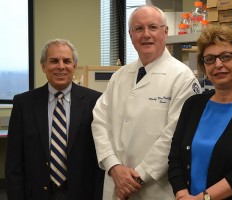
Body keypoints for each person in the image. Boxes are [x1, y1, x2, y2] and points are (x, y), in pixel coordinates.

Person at [92, 5, 201, 200]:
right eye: (139, 29)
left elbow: (174, 137)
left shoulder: (183, 78)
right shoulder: (119, 76)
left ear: (165, 32)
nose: (146, 34)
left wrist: (137, 177)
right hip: (115, 181)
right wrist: (114, 166)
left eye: (153, 27)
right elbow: (99, 122)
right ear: (130, 35)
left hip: (154, 188)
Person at [168, 25, 232, 200]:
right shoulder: (193, 105)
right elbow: (175, 157)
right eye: (209, 59)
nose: (218, 64)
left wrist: (203, 199)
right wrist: (181, 193)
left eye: (226, 56)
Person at [5, 39, 104, 200]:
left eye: (67, 61)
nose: (61, 66)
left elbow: (99, 160)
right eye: (53, 61)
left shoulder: (95, 101)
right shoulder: (24, 104)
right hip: (37, 194)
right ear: (43, 66)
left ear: (74, 66)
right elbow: (14, 164)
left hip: (82, 193)